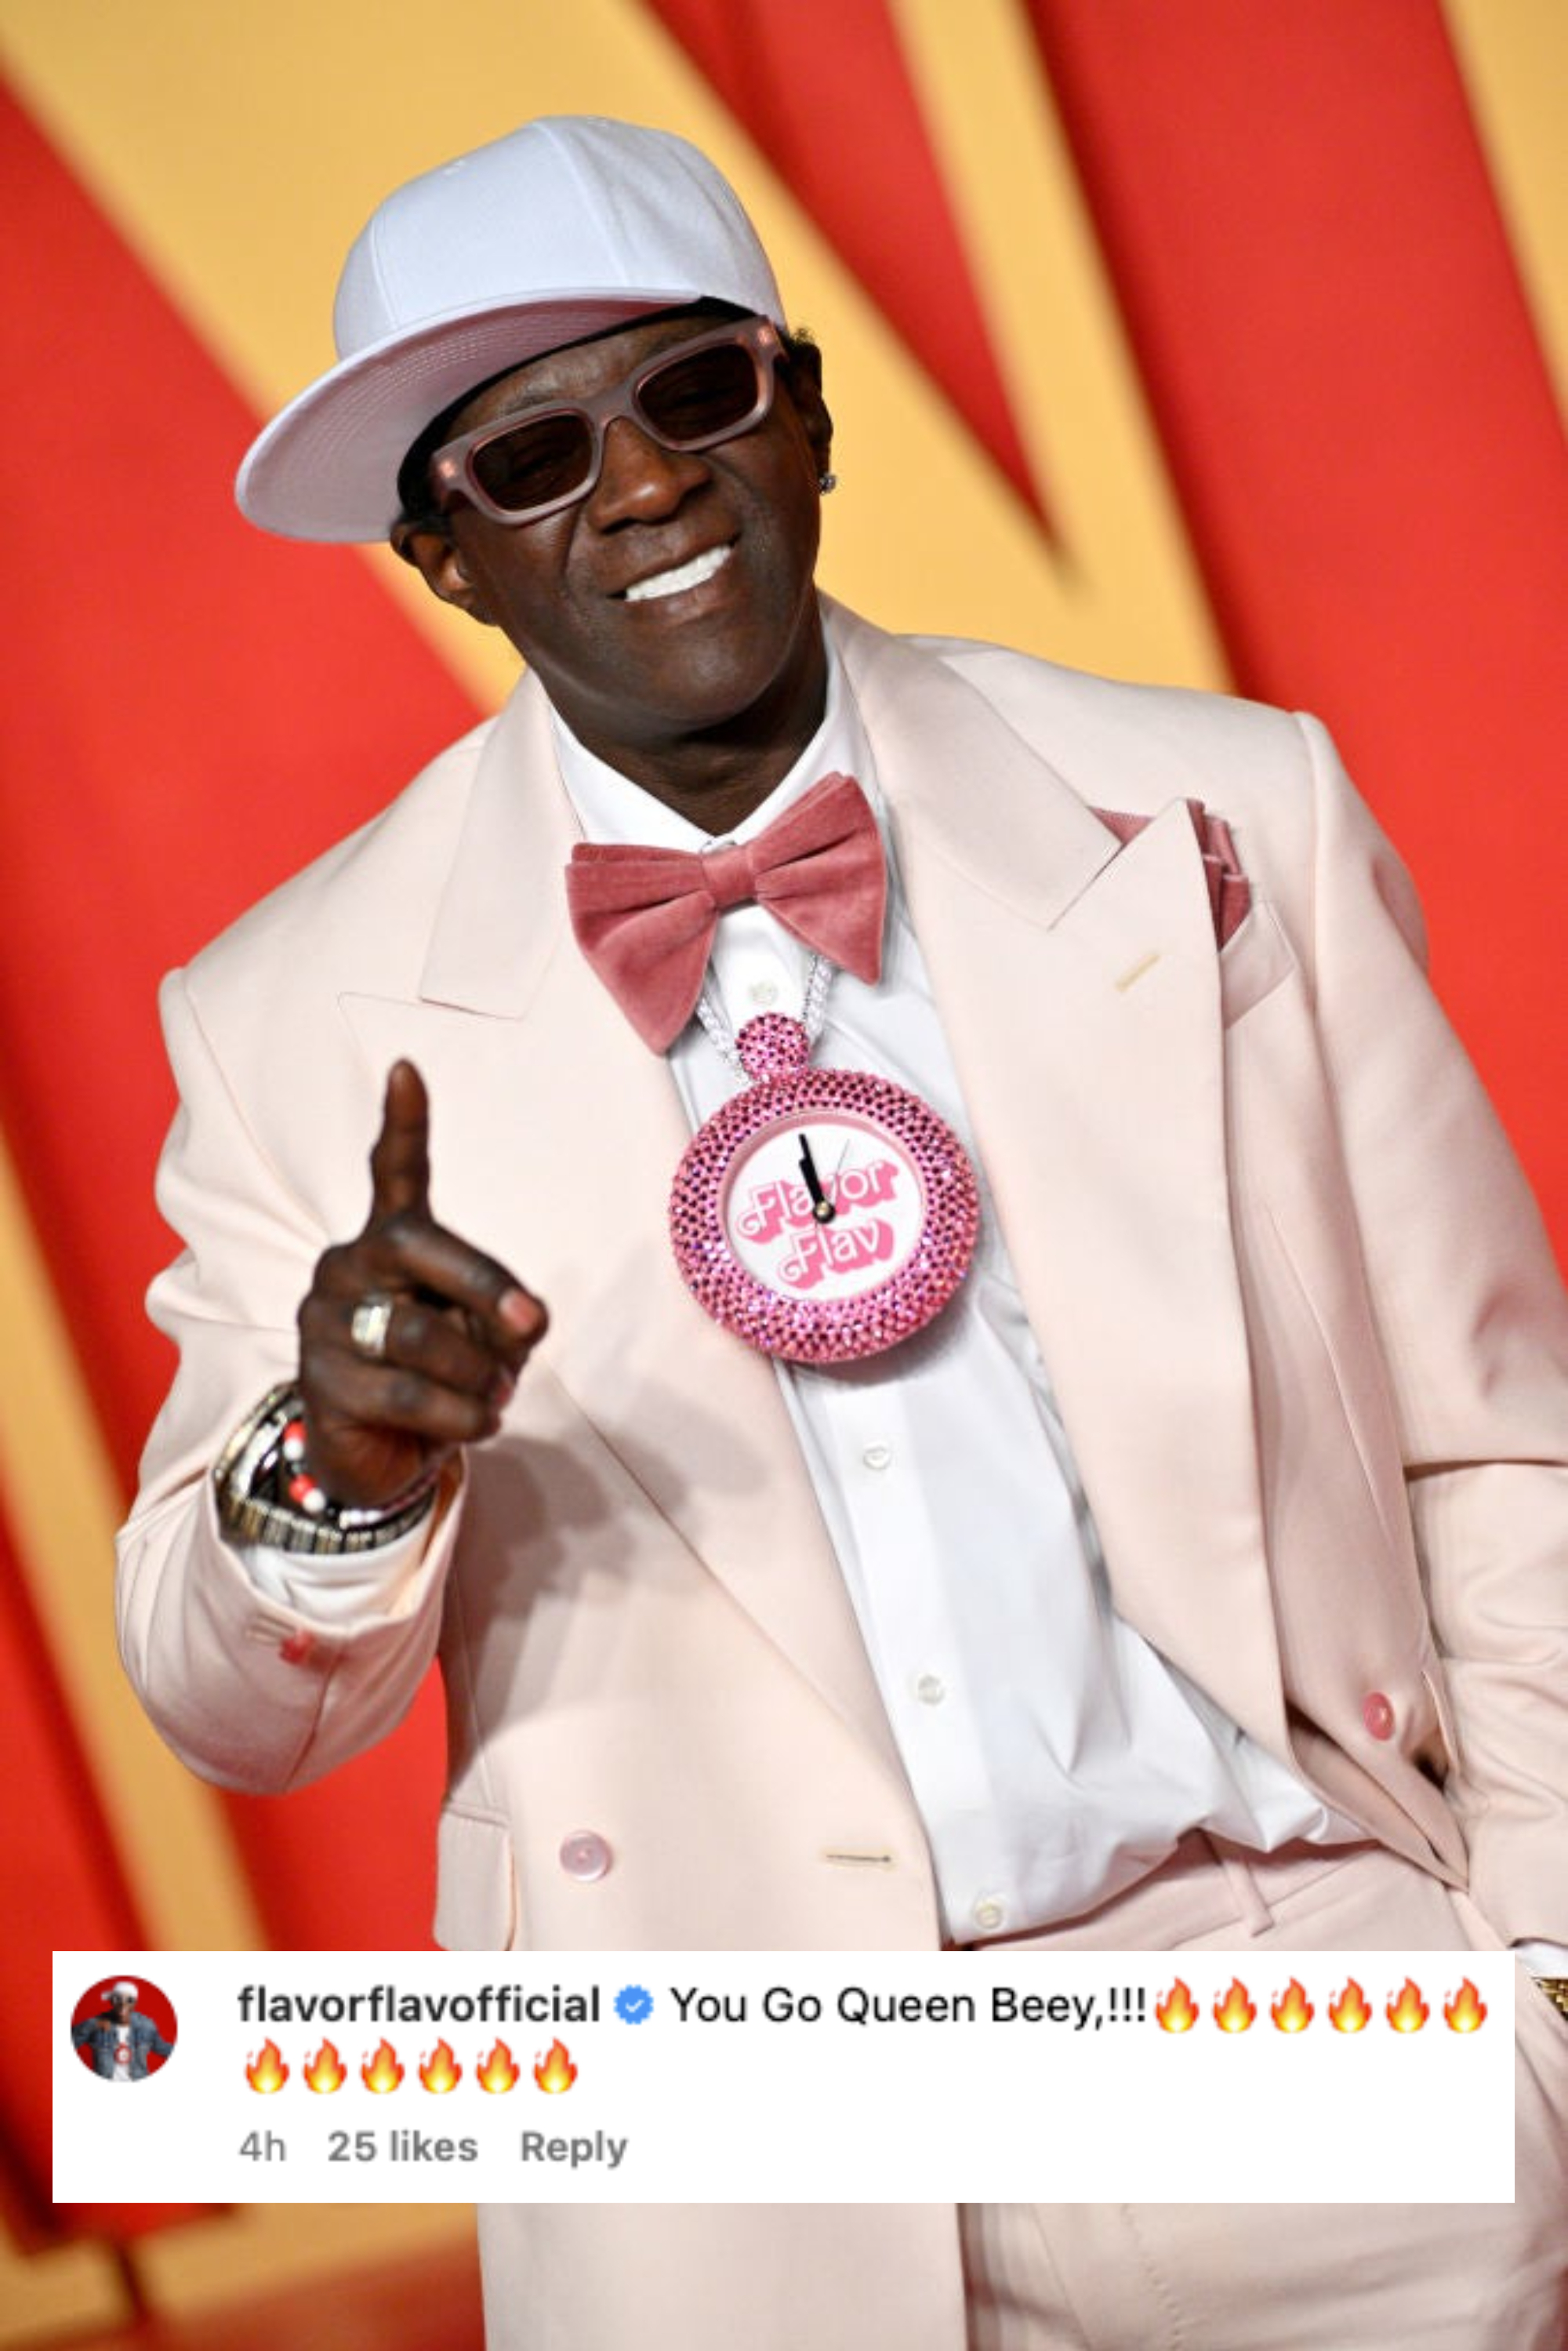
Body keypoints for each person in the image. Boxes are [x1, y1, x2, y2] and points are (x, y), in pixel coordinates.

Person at [116, 115, 1566, 2349]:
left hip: (1304, 2030)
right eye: (531, 456)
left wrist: (1542, 1991)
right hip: (732, 2161)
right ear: (442, 559)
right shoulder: (292, 1013)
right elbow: (234, 1709)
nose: (645, 484)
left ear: (805, 412)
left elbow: (1504, 1442)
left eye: (694, 396)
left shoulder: (1219, 810)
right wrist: (339, 1462)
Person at [72, 1981, 174, 2081]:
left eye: (129, 2000)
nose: (123, 2004)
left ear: (135, 2003)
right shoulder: (97, 2024)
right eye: (118, 1999)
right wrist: (91, 2025)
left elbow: (162, 2048)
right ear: (111, 2001)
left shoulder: (146, 2025)